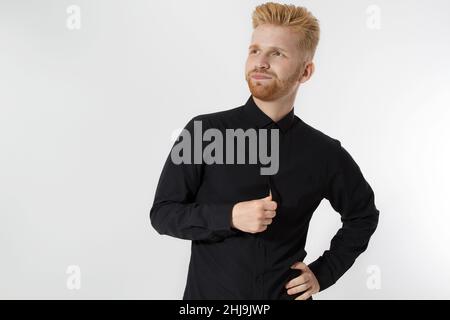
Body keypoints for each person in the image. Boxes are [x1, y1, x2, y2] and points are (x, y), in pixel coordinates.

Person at [150, 2, 379, 300]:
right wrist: (230, 216)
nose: (260, 61)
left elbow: (362, 216)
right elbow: (163, 214)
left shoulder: (324, 153)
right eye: (255, 50)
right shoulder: (203, 132)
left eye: (277, 53)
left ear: (305, 72)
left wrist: (323, 274)